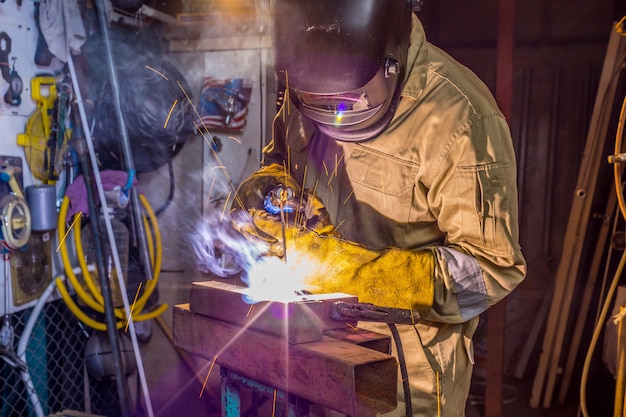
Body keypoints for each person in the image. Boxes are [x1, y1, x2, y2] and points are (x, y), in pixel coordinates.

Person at [232, 0, 527, 415]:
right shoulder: (304, 80)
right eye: (314, 101)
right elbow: (278, 160)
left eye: (347, 99)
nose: (331, 113)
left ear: (390, 60)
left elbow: (491, 268)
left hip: (403, 379)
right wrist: (270, 191)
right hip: (306, 347)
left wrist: (345, 270)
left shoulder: (461, 117)